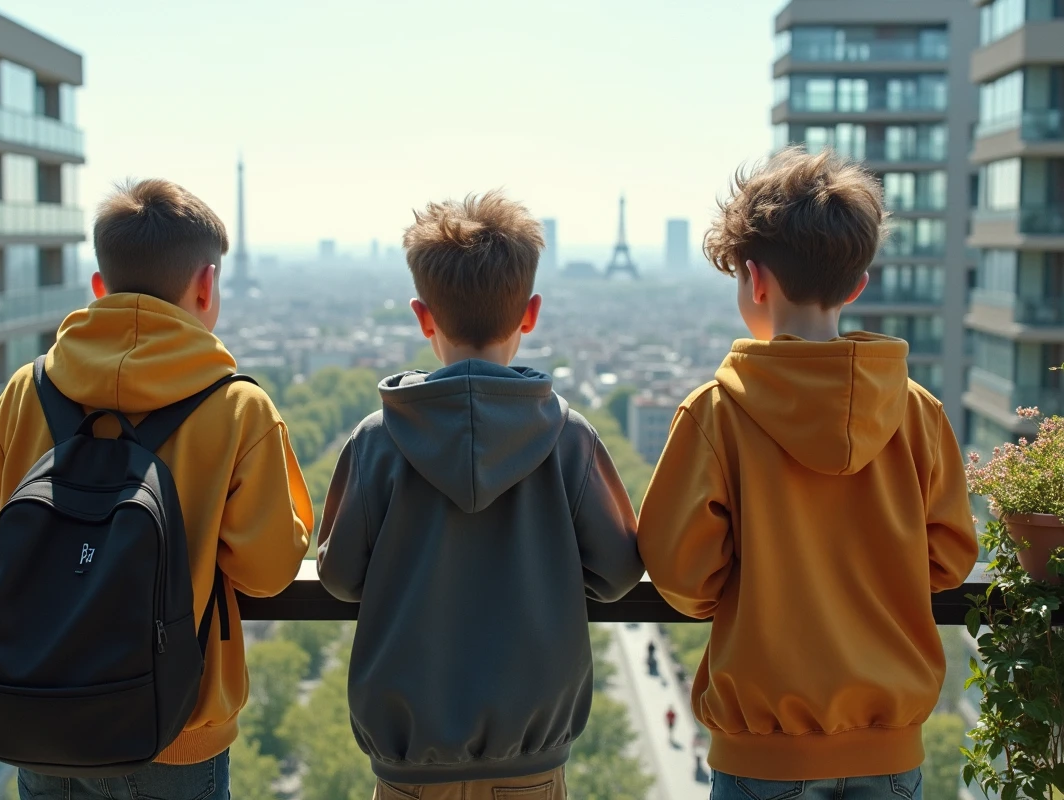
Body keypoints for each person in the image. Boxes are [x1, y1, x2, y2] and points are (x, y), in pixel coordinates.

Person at [637, 148, 978, 799]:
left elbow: (682, 576)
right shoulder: (918, 413)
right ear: (857, 286)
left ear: (754, 279)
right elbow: (951, 558)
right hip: (891, 748)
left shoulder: (717, 413)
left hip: (763, 755)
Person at [0, 179, 314, 800]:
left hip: (34, 708)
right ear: (206, 285)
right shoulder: (237, 408)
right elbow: (267, 571)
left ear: (100, 286)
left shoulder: (27, 391)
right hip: (172, 725)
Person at [318, 191, 644, 800]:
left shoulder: (376, 441)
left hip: (409, 767)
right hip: (531, 762)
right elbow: (620, 571)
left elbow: (338, 576)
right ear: (530, 313)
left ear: (423, 317)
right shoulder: (569, 438)